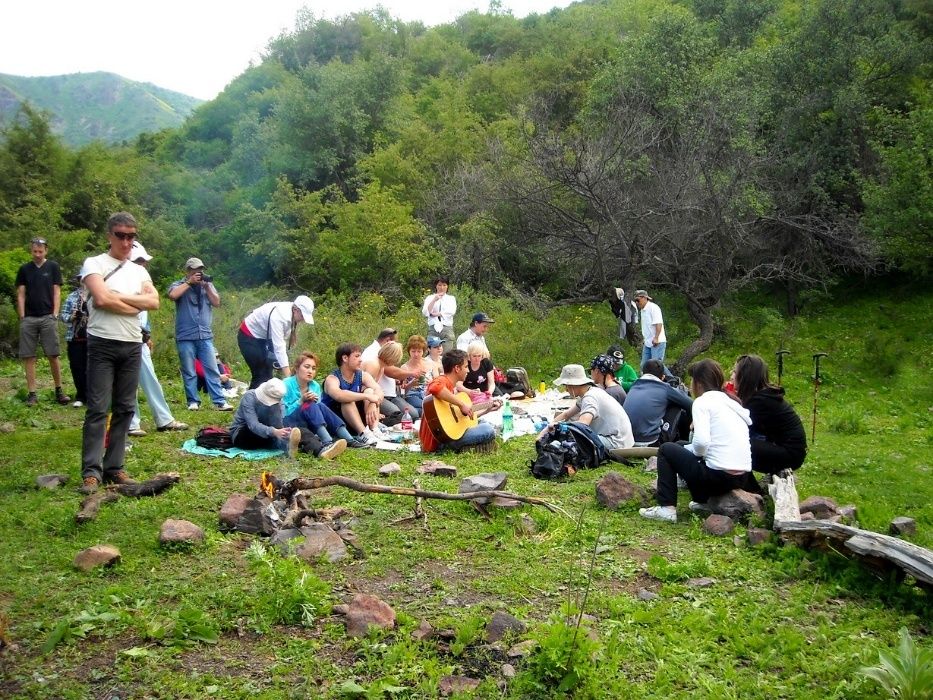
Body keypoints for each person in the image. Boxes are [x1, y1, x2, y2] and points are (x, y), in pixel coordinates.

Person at [78, 212, 159, 494]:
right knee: (98, 409)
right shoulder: (94, 264)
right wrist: (135, 305)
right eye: (121, 235)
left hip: (132, 344)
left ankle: (114, 467)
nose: (126, 242)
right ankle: (91, 471)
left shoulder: (139, 271)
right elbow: (100, 298)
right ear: (109, 235)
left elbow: (154, 301)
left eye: (131, 236)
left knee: (125, 408)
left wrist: (118, 299)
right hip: (102, 343)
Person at [639, 359, 752, 523]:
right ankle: (703, 501)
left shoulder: (702, 402)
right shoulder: (731, 402)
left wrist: (692, 451)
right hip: (741, 476)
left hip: (718, 477)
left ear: (698, 383)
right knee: (679, 446)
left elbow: (701, 444)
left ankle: (666, 508)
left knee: (666, 450)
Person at [126, 242, 189, 437]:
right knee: (128, 383)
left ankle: (164, 419)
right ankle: (131, 423)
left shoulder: (143, 281)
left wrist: (148, 334)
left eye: (144, 261)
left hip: (140, 338)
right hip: (126, 337)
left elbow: (145, 312)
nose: (143, 265)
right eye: (139, 261)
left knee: (150, 379)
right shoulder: (124, 282)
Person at [167, 257, 232, 411]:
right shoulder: (179, 284)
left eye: (201, 270)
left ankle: (219, 401)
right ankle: (193, 401)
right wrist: (189, 283)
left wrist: (207, 287)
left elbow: (216, 302)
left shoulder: (207, 284)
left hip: (205, 335)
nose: (199, 273)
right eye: (195, 270)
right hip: (185, 335)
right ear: (188, 271)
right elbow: (172, 295)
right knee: (189, 370)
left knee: (212, 368)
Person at [16, 237, 69, 406]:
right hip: (29, 318)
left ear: (46, 250)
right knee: (29, 356)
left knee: (53, 354)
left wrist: (54, 313)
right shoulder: (24, 269)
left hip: (48, 316)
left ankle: (59, 390)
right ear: (31, 251)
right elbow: (21, 294)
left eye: (40, 251)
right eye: (34, 251)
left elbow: (57, 292)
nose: (37, 254)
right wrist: (22, 316)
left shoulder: (53, 267)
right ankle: (32, 393)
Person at [733, 354, 807, 474]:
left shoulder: (760, 402)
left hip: (790, 454)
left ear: (744, 377)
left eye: (735, 372)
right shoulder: (763, 396)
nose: (731, 376)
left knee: (735, 443)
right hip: (785, 449)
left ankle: (747, 487)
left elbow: (734, 426)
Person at [419, 349, 499, 454]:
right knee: (488, 429)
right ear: (457, 368)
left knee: (481, 423)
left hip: (447, 434)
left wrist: (487, 410)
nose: (468, 371)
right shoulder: (443, 380)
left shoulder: (450, 388)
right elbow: (434, 387)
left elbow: (458, 419)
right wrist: (461, 404)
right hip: (442, 441)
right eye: (466, 367)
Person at [540, 364, 634, 451]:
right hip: (623, 439)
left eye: (566, 386)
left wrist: (559, 427)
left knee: (570, 440)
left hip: (616, 442)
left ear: (573, 385)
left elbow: (582, 426)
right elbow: (566, 414)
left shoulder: (590, 398)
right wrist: (545, 431)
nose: (566, 389)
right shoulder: (590, 392)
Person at [283, 351, 361, 453]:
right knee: (309, 404)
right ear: (297, 368)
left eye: (313, 368)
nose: (310, 371)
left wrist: (313, 403)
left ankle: (349, 439)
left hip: (309, 421)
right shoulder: (286, 384)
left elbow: (318, 410)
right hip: (290, 422)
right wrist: (301, 401)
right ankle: (327, 441)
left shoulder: (314, 385)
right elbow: (283, 413)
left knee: (320, 405)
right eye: (306, 367)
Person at [238, 295, 315, 389]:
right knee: (262, 374)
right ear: (296, 309)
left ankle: (269, 397)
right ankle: (252, 401)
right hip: (249, 335)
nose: (303, 319)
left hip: (265, 337)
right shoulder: (279, 317)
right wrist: (289, 378)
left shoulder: (292, 311)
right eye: (302, 316)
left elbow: (283, 337)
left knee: (270, 367)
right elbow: (279, 348)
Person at [321, 342, 384, 444]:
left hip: (355, 420)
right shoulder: (332, 379)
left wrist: (373, 402)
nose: (361, 360)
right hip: (336, 422)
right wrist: (367, 396)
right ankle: (364, 434)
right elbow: (339, 395)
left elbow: (379, 391)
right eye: (357, 356)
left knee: (370, 390)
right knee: (348, 400)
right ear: (345, 358)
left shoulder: (362, 375)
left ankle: (374, 430)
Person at [623, 359, 693, 446]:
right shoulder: (664, 388)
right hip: (650, 442)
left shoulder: (634, 385)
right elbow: (691, 404)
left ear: (642, 373)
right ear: (662, 377)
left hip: (628, 439)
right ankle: (685, 440)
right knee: (676, 406)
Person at [229, 378, 302, 459]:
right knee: (259, 434)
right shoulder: (249, 396)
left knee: (300, 431)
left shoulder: (278, 400)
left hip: (267, 432)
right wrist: (274, 432)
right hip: (243, 433)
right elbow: (253, 425)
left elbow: (279, 423)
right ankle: (287, 444)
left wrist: (283, 432)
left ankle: (295, 444)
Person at [362, 341, 419, 423]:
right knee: (396, 416)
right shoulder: (374, 365)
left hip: (381, 396)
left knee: (413, 414)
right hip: (365, 396)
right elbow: (366, 388)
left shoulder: (381, 367)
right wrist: (374, 404)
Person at [59, 272, 88, 407]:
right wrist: (72, 317)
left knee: (93, 368)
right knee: (77, 367)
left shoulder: (96, 295)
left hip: (93, 338)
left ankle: (94, 396)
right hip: (75, 338)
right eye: (81, 278)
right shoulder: (72, 297)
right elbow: (63, 316)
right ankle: (81, 396)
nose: (84, 281)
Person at [400, 335, 438, 414]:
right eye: (413, 351)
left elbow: (438, 382)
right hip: (412, 395)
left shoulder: (431, 364)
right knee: (426, 408)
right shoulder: (404, 367)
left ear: (423, 351)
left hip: (429, 394)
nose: (416, 354)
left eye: (419, 351)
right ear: (409, 351)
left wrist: (431, 382)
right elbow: (402, 392)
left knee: (424, 409)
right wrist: (411, 384)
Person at [634, 290, 668, 371]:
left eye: (637, 300)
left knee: (656, 366)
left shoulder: (653, 308)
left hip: (657, 342)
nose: (637, 303)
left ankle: (673, 381)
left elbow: (658, 323)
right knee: (644, 365)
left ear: (644, 298)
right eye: (635, 301)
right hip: (648, 342)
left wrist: (656, 338)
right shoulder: (642, 310)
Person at [421, 276, 457, 352]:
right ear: (436, 286)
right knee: (432, 353)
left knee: (446, 354)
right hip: (433, 328)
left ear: (447, 286)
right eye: (439, 285)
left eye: (444, 285)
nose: (442, 287)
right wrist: (434, 300)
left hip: (446, 328)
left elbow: (451, 311)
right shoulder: (430, 298)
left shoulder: (451, 298)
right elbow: (425, 312)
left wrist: (438, 314)